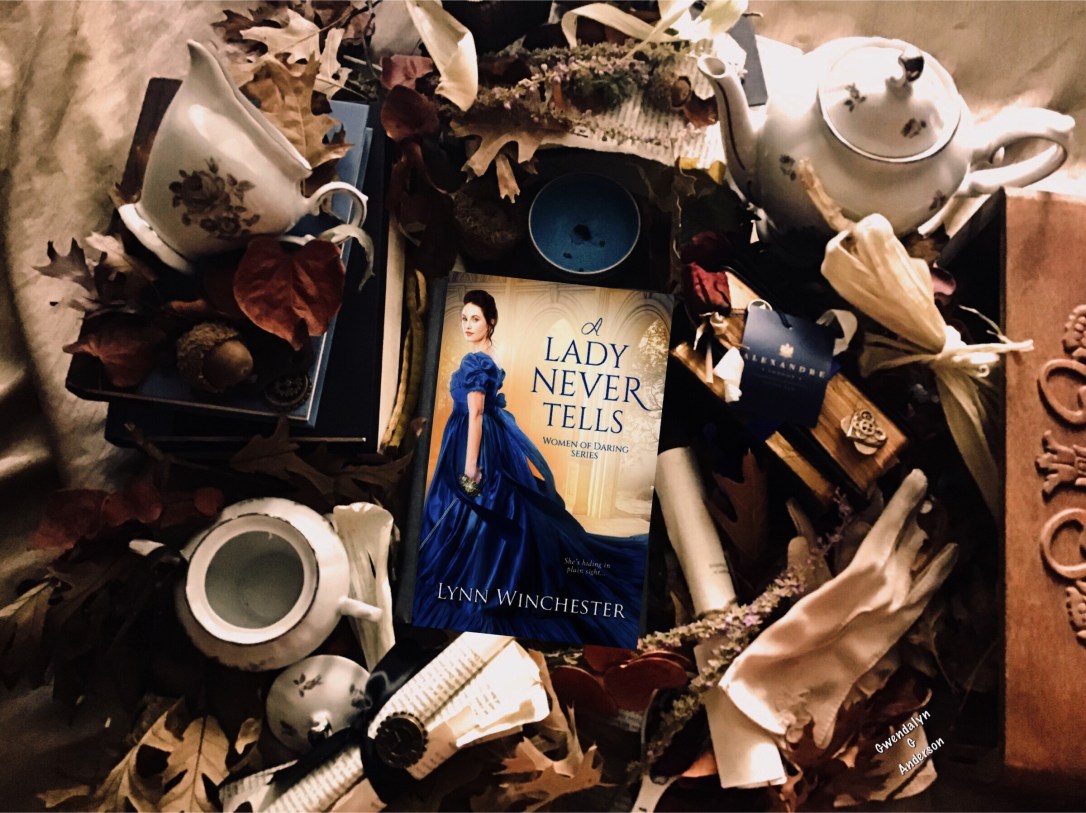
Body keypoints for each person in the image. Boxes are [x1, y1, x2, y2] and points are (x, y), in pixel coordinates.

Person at [412, 289, 645, 647]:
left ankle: (482, 580)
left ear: (491, 321)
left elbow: (476, 413)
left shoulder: (476, 362)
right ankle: (483, 573)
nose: (468, 325)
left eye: (475, 319)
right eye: (464, 319)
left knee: (478, 506)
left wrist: (471, 465)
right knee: (493, 508)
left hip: (474, 442)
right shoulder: (490, 354)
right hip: (485, 437)